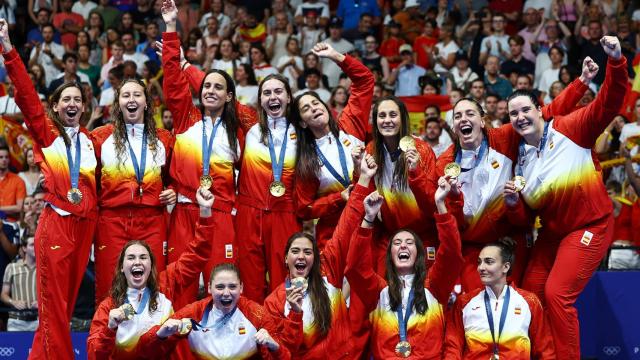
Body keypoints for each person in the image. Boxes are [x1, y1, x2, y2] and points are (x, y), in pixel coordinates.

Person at [505, 37, 627, 360]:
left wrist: (616, 61)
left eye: (525, 109)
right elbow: (526, 219)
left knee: (557, 294)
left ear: (540, 110)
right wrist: (515, 205)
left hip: (590, 226)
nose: (519, 117)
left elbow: (609, 103)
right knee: (531, 291)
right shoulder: (521, 161)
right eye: (513, 113)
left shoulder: (571, 128)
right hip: (553, 233)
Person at [436, 58, 595, 292]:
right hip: (472, 247)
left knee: (519, 300)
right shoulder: (445, 164)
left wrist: (582, 81)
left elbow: (549, 112)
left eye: (470, 113)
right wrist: (453, 198)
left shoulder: (503, 138)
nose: (463, 119)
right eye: (457, 116)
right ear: (454, 125)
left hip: (510, 239)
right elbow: (450, 218)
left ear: (482, 120)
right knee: (472, 304)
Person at [1, 18, 97, 359]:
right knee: (54, 307)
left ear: (84, 107)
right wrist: (10, 51)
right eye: (65, 99)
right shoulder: (48, 135)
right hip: (57, 224)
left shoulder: (94, 141)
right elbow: (26, 94)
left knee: (65, 307)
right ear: (56, 107)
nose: (72, 103)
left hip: (85, 228)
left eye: (77, 99)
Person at [160, 0, 248, 308]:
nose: (210, 90)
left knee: (222, 287)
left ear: (229, 96)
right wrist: (171, 29)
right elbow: (172, 82)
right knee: (179, 287)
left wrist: (191, 68)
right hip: (185, 212)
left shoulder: (240, 131)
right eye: (206, 85)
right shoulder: (186, 119)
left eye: (217, 87)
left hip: (222, 213)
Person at [265, 154, 376, 358]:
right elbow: (285, 352)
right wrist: (295, 313)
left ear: (315, 258)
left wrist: (364, 179)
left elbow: (347, 225)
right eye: (295, 251)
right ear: (285, 259)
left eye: (308, 252)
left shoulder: (328, 270)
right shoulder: (274, 302)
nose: (301, 256)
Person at [344, 173, 463, 359]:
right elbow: (355, 268)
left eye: (409, 242)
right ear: (390, 255)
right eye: (397, 243)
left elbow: (452, 255)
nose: (403, 246)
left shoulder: (434, 287)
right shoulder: (378, 291)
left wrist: (440, 204)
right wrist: (368, 218)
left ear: (419, 255)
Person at [87, 187, 214, 359]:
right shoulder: (109, 307)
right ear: (122, 268)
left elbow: (197, 254)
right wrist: (110, 328)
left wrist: (205, 211)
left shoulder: (166, 284)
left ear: (152, 265)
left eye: (143, 257)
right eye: (131, 257)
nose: (137, 261)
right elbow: (94, 355)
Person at [90, 78, 175, 304]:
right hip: (111, 220)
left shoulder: (164, 139)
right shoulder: (100, 138)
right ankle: (105, 337)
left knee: (155, 280)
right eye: (125, 95)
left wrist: (173, 190)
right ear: (118, 103)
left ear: (147, 102)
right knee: (110, 283)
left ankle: (152, 337)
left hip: (152, 219)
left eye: (137, 95)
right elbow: (88, 179)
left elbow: (174, 178)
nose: (131, 100)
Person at [292, 42, 374, 249]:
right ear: (302, 122)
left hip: (371, 220)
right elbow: (304, 209)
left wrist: (337, 57)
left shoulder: (349, 124)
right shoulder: (306, 159)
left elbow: (365, 81)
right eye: (306, 109)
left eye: (316, 103)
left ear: (326, 106)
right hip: (333, 232)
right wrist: (338, 198)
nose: (313, 108)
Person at [138, 263, 295, 359]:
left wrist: (274, 346)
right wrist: (160, 335)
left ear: (241, 288)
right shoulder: (193, 313)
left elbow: (285, 357)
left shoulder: (257, 315)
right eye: (220, 287)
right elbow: (144, 352)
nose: (226, 293)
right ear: (209, 288)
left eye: (232, 287)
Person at [363, 95, 442, 275]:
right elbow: (366, 199)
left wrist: (415, 173)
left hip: (423, 237)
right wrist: (359, 173)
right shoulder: (371, 150)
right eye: (382, 116)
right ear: (375, 121)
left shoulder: (422, 150)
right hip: (391, 237)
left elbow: (432, 204)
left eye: (393, 115)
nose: (387, 120)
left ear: (403, 118)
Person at [443, 239, 556, 358]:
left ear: (505, 267)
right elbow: (453, 347)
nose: (481, 267)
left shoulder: (530, 302)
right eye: (479, 262)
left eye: (489, 262)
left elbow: (545, 350)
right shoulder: (464, 303)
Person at [1, 234, 38, 331]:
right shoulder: (12, 267)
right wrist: (13, 302)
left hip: (39, 321)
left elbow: (52, 295)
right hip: (16, 322)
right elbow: (3, 295)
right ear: (24, 248)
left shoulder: (45, 269)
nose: (36, 247)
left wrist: (42, 303)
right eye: (32, 245)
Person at [0, 142, 26, 222]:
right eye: (0, 157)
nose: (4, 160)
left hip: (11, 223)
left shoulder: (18, 180)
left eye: (6, 157)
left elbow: (19, 207)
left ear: (9, 160)